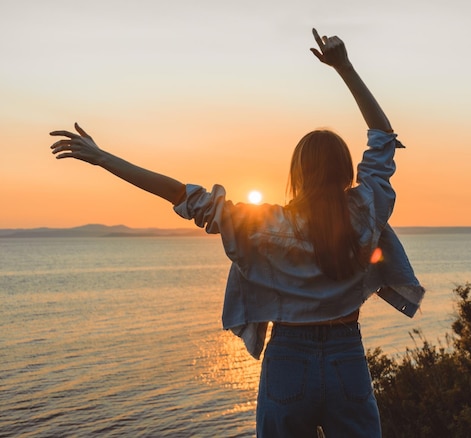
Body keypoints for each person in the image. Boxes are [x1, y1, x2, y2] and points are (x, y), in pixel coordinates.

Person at [50, 28, 424, 438]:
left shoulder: (267, 226)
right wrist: (345, 68)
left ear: (297, 173)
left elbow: (180, 194)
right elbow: (383, 137)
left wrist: (105, 158)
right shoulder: (366, 209)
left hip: (288, 360)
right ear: (345, 170)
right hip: (346, 356)